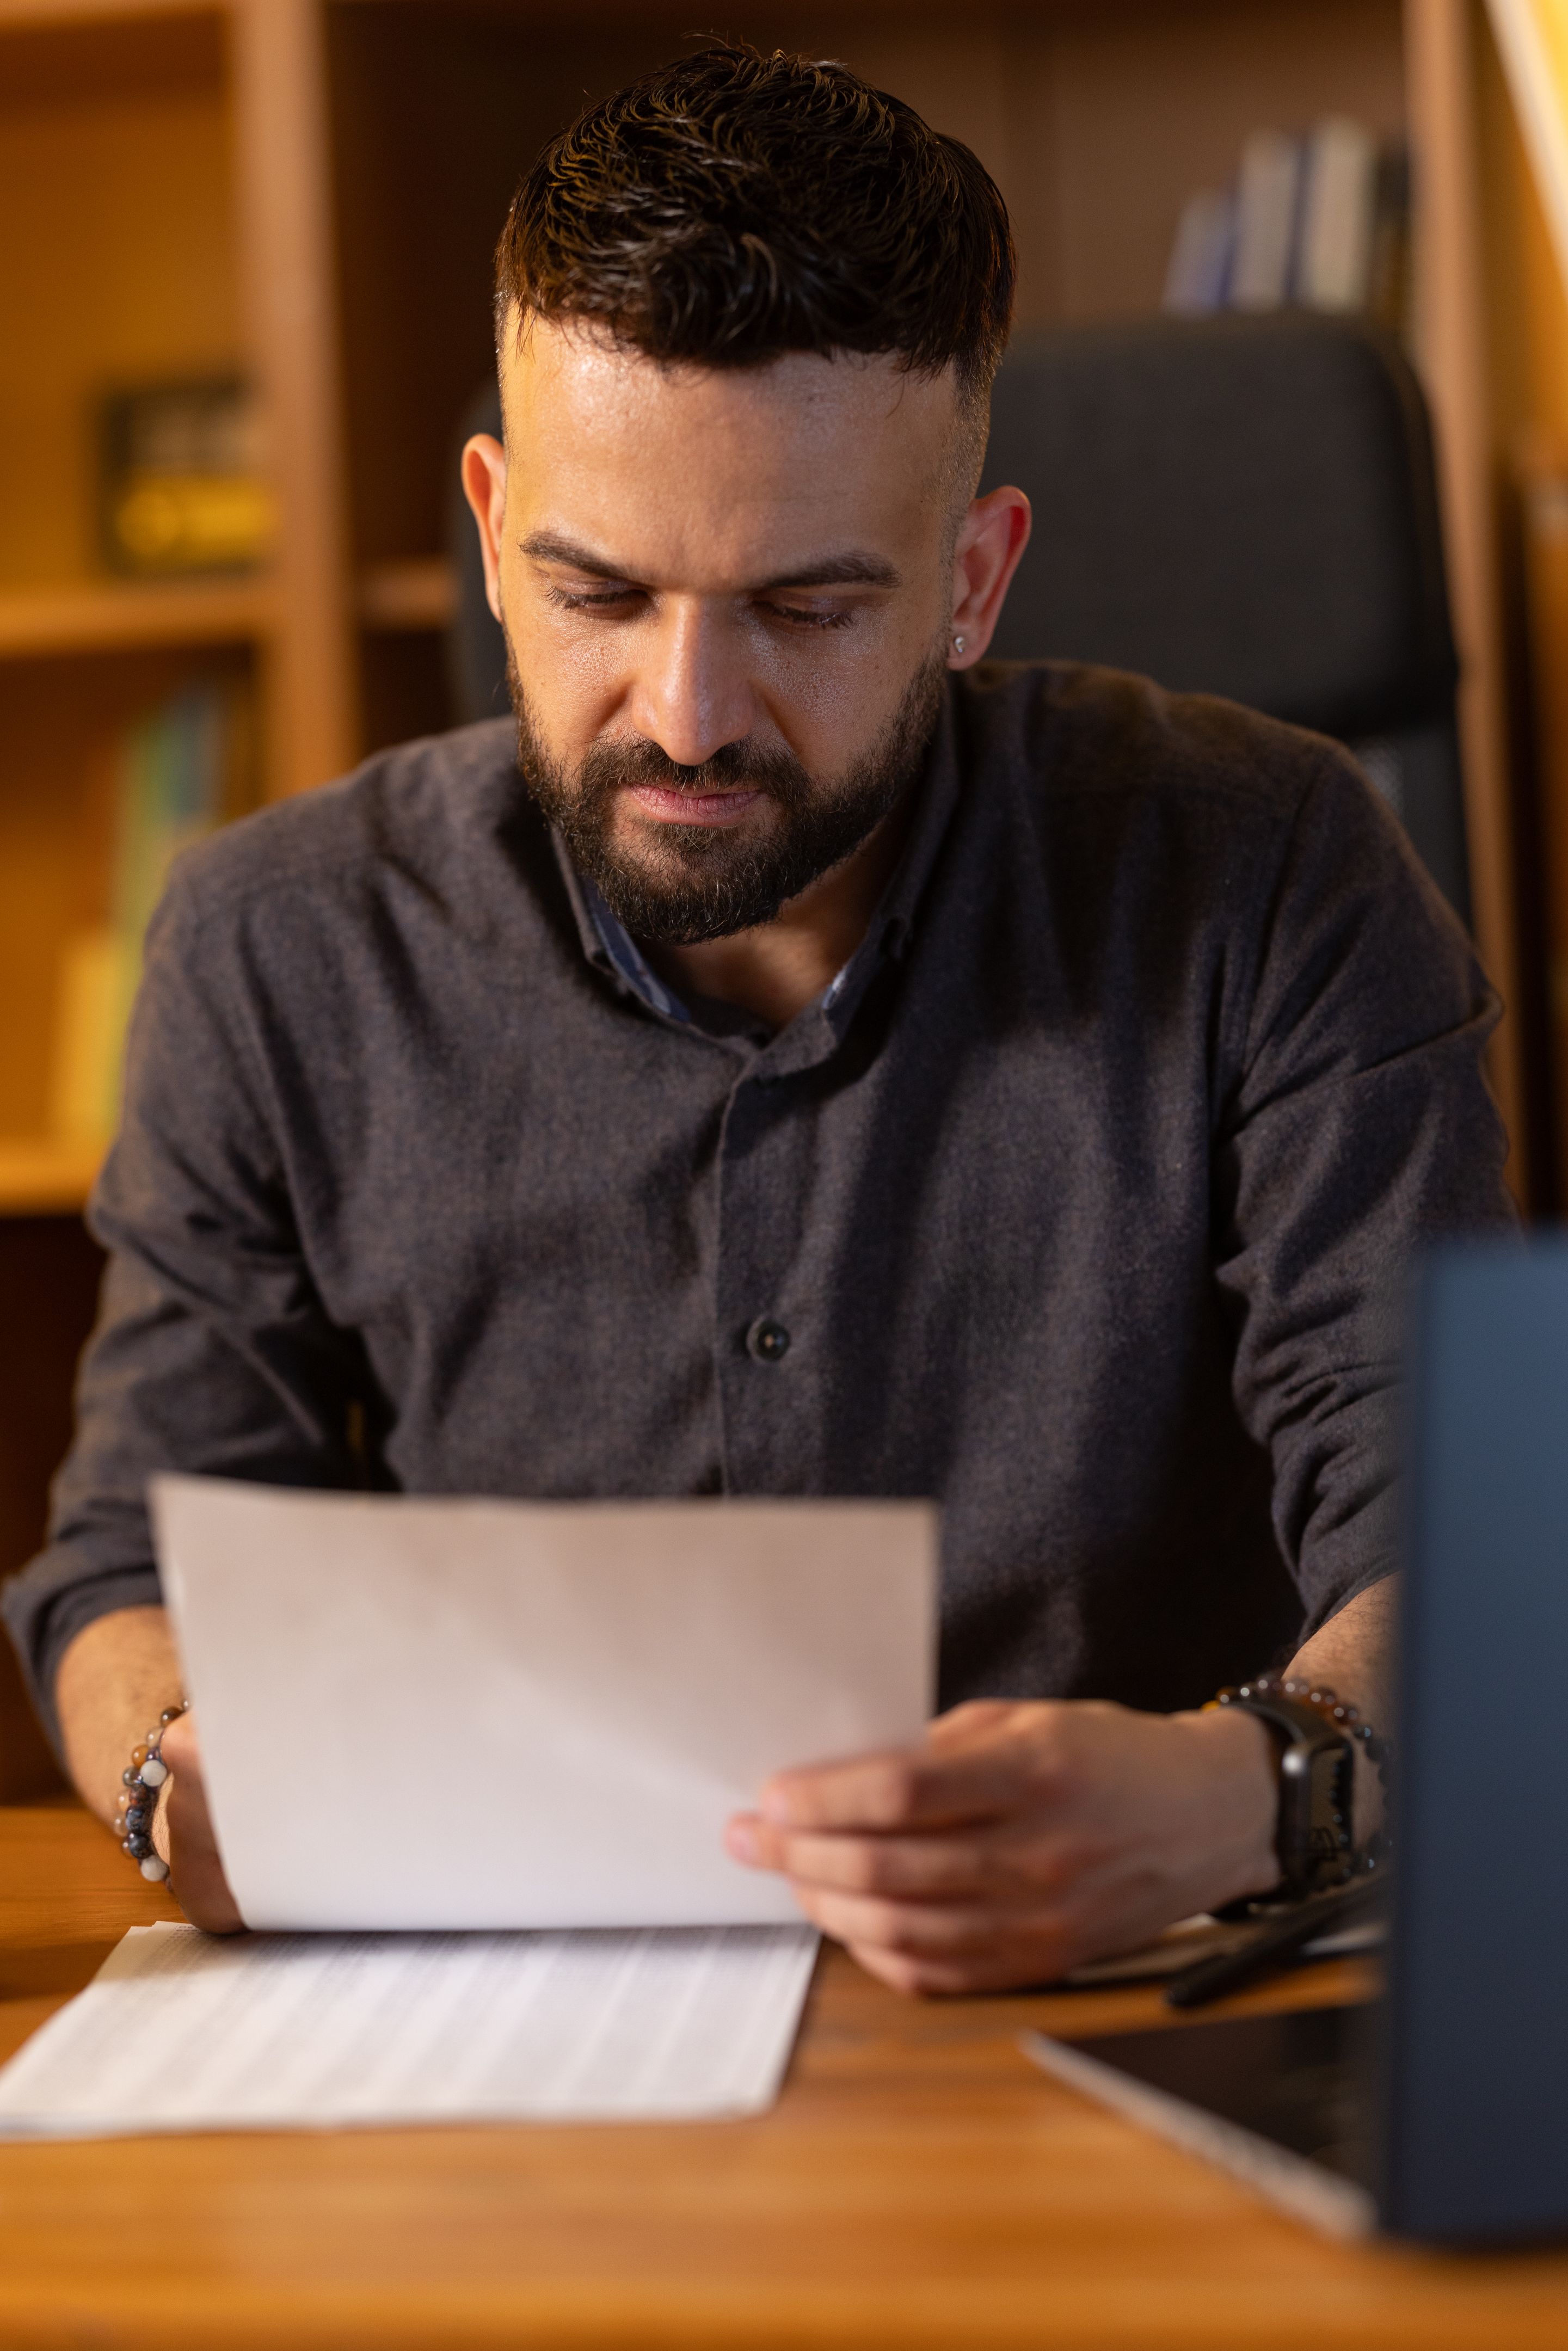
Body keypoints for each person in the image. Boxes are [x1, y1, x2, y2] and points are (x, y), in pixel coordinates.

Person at [5, 46, 1509, 1993]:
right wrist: (168, 1772)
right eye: (597, 593)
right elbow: (132, 1552)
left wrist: (1248, 1791)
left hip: (1140, 1997)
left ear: (971, 582)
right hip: (512, 2034)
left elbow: (1465, 1549)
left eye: (805, 609)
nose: (689, 710)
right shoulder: (274, 944)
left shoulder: (1277, 872)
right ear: (487, 527)